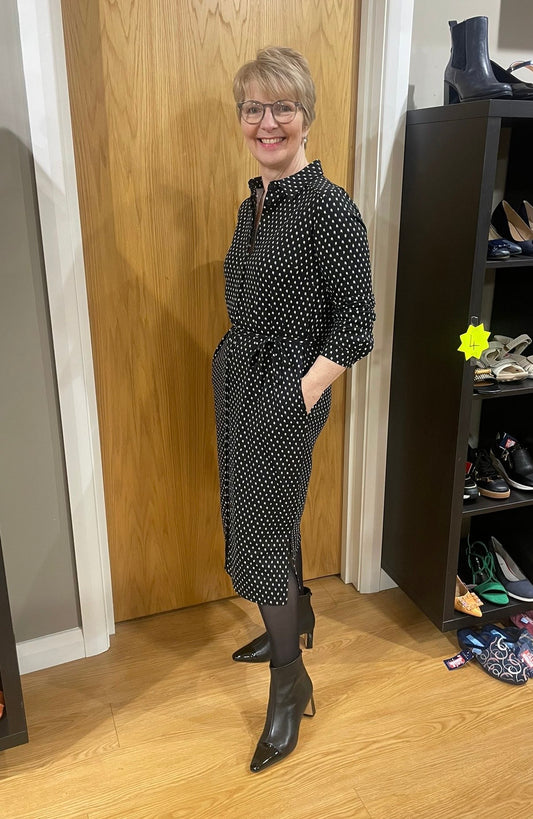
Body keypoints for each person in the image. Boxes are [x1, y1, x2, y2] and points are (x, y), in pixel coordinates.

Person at [212, 46, 375, 773]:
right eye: (253, 108)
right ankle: (297, 614)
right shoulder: (253, 203)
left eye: (282, 107)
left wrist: (296, 395)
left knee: (264, 532)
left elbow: (356, 327)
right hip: (239, 382)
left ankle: (289, 681)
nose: (267, 122)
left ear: (306, 116)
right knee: (261, 515)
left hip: (284, 389)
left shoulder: (329, 209)